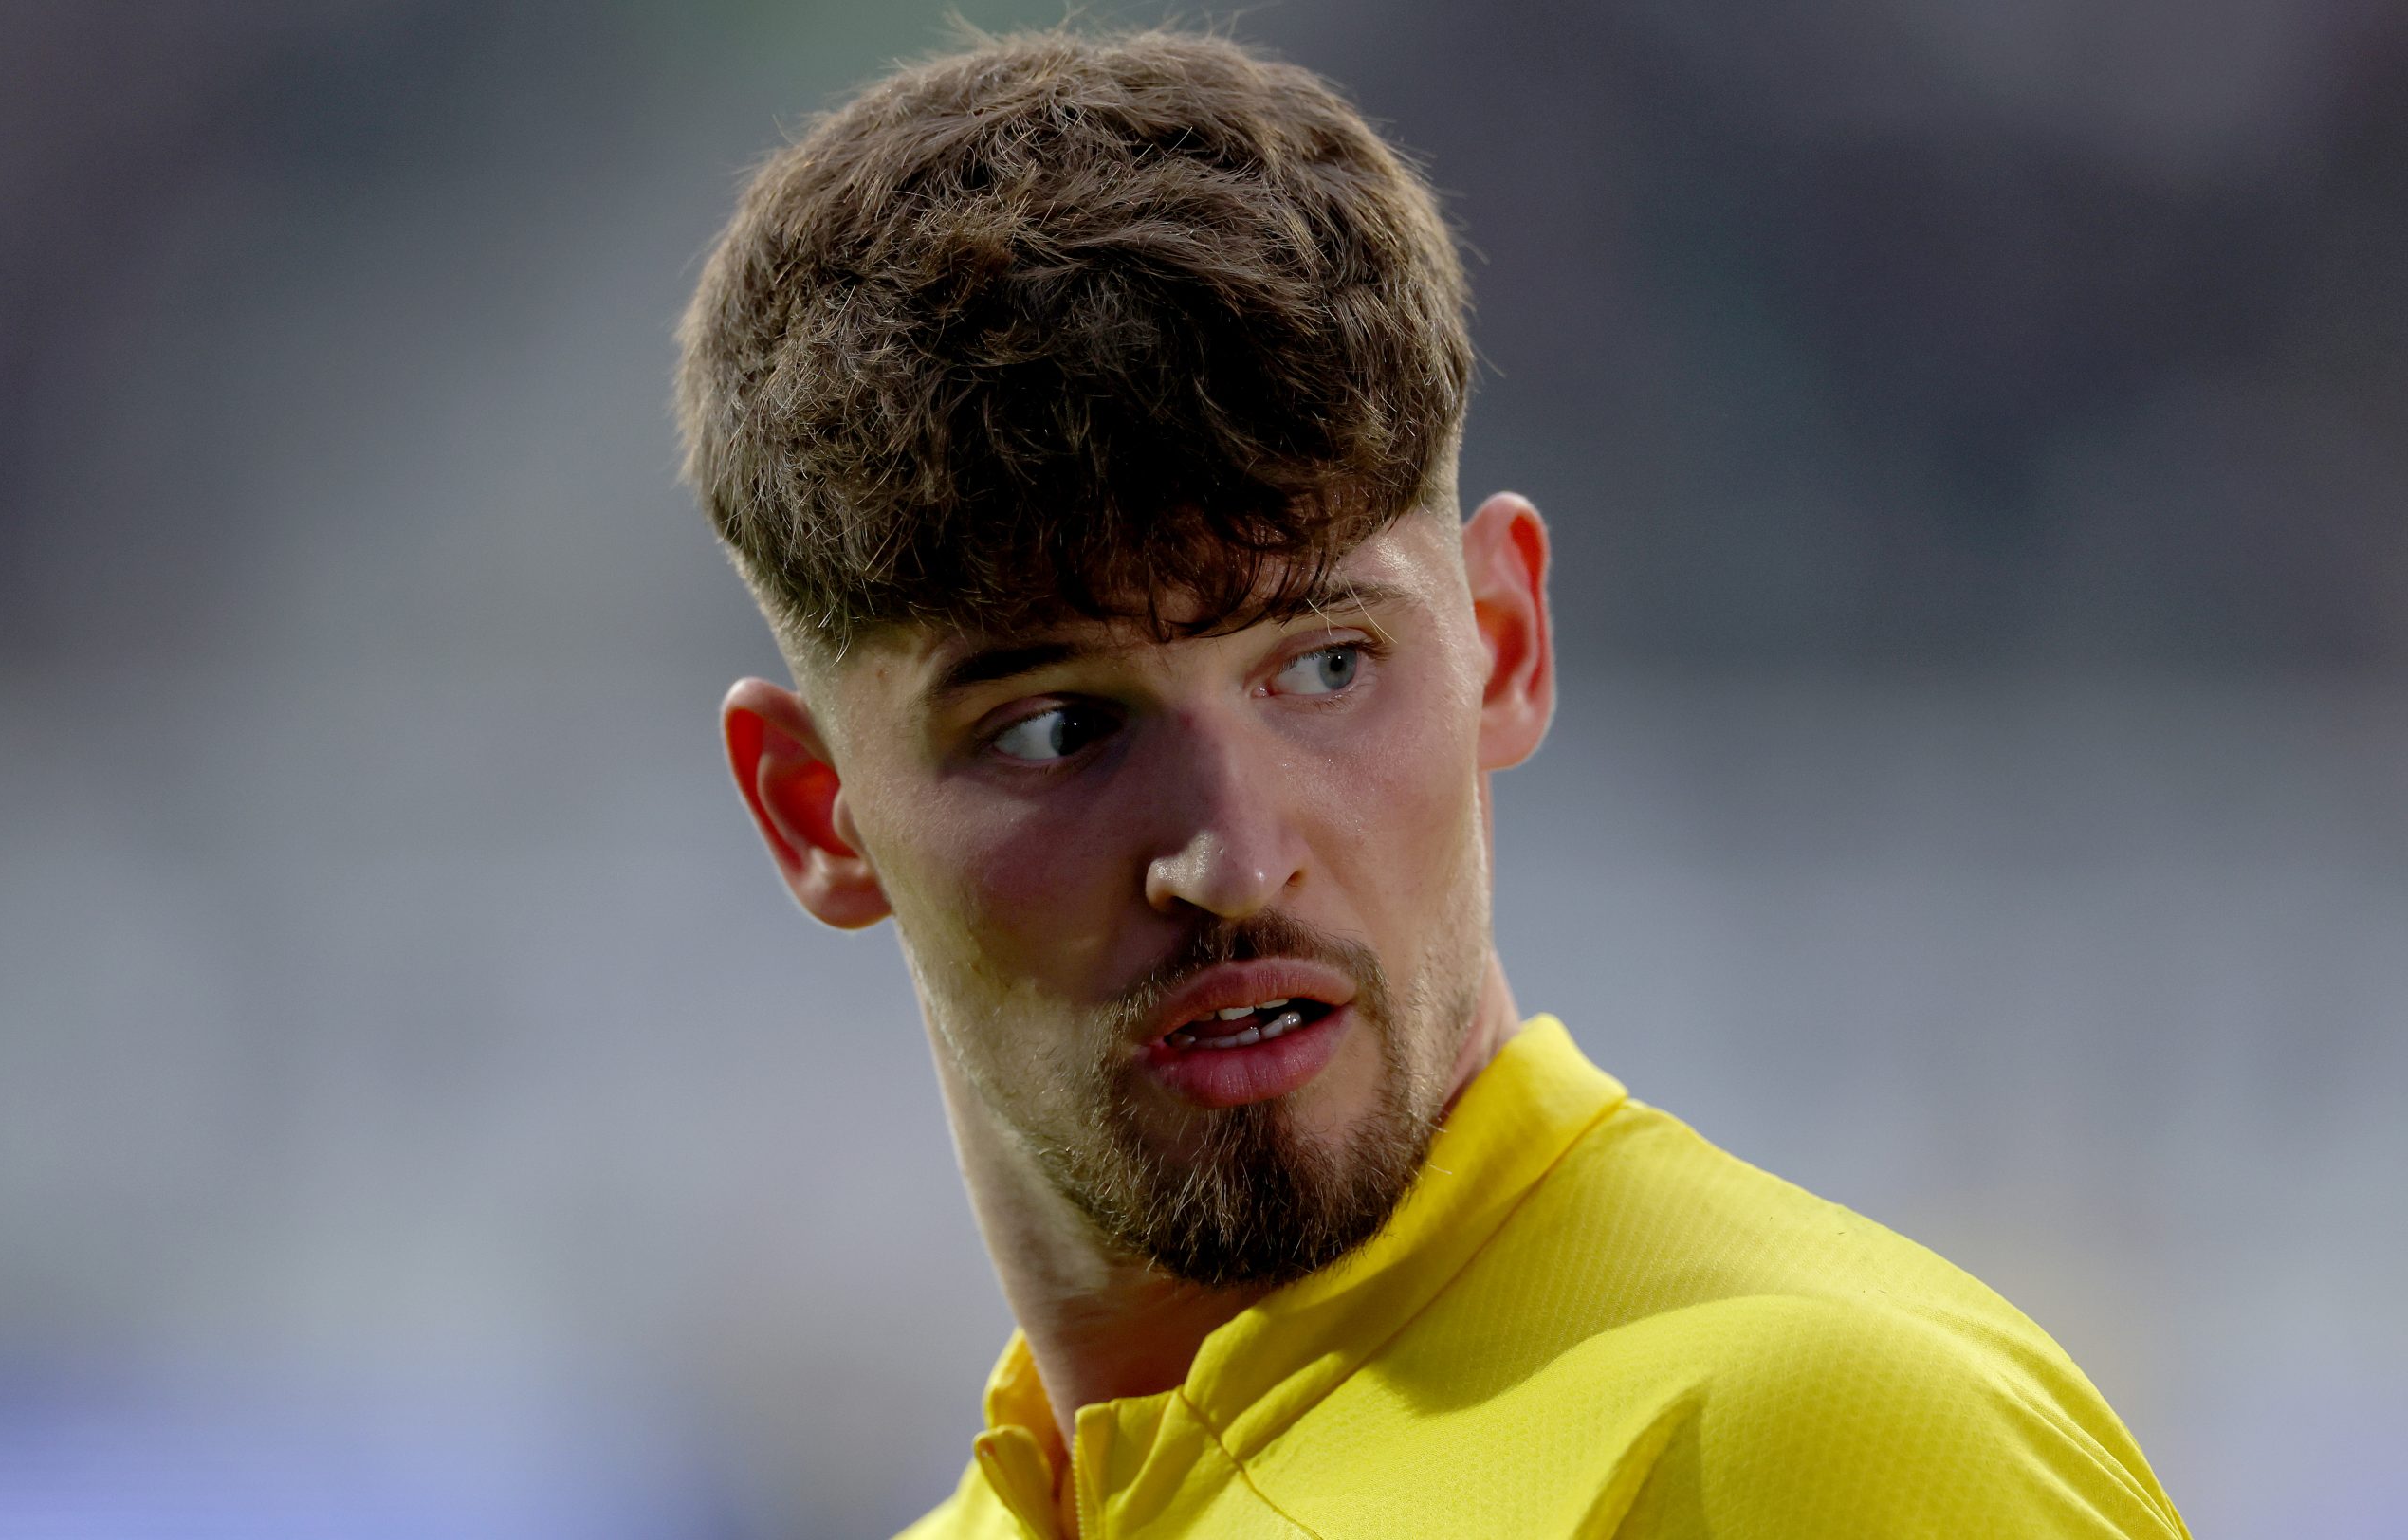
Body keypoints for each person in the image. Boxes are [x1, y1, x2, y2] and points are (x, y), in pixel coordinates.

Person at [673, 28, 2191, 1540]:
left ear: (1505, 643)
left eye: (1324, 666)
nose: (1234, 856)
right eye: (1062, 727)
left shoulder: (1811, 1444)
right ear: (817, 817)